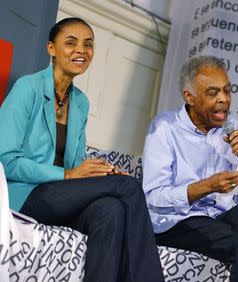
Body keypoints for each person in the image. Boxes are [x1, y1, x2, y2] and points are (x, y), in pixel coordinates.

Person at [0, 17, 163, 282]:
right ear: (51, 49)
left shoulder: (80, 103)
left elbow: (75, 164)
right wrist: (66, 175)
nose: (81, 50)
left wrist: (100, 172)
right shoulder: (27, 88)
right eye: (71, 43)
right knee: (128, 187)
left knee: (110, 210)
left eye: (88, 45)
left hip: (57, 197)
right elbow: (5, 160)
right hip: (24, 195)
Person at [142, 55, 238, 282]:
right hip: (179, 221)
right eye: (213, 93)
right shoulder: (165, 128)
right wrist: (206, 187)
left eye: (227, 90)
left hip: (219, 217)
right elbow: (153, 198)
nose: (224, 99)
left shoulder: (234, 128)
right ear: (190, 96)